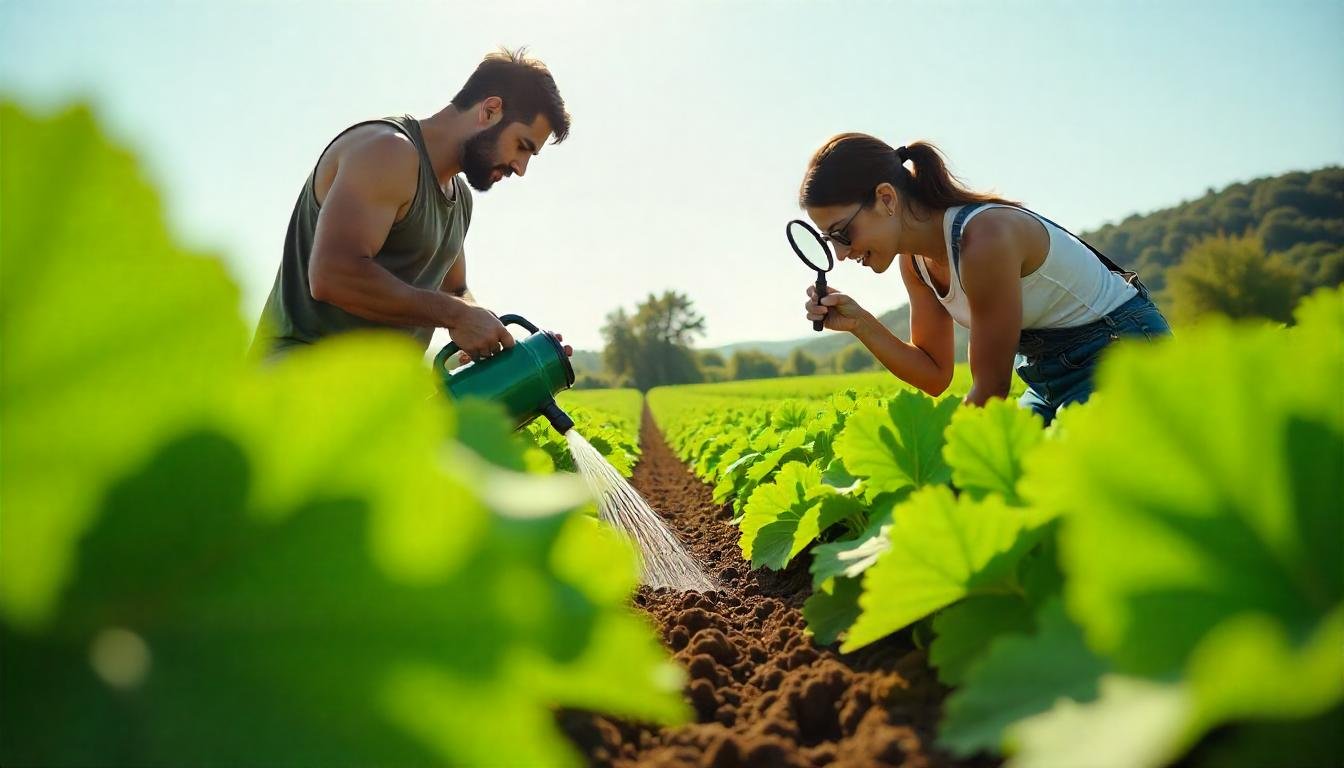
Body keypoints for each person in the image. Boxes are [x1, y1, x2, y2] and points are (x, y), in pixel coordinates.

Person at [799, 133, 1171, 423]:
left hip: (1123, 354)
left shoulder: (984, 238)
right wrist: (859, 323)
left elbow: (991, 386)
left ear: (886, 198)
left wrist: (943, 461)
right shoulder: (914, 263)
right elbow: (934, 375)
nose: (842, 253)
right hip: (1047, 379)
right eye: (829, 241)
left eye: (842, 233)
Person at [252, 47, 573, 364]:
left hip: (374, 395)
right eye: (522, 146)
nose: (520, 168)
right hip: (294, 379)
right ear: (489, 110)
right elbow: (332, 276)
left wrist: (487, 331)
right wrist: (455, 316)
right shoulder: (387, 151)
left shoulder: (460, 199)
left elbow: (456, 290)